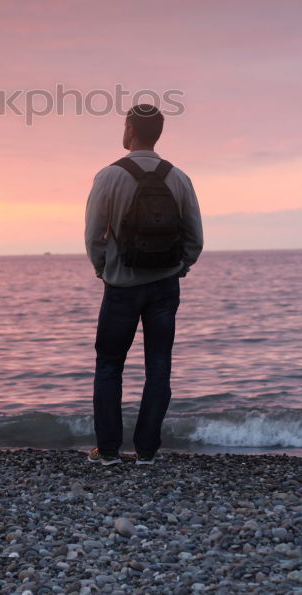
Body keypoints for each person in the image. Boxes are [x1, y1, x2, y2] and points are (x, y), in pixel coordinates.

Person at [84, 103, 203, 465]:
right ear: (158, 133)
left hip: (121, 286)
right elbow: (194, 237)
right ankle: (147, 451)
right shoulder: (178, 177)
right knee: (159, 364)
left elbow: (93, 236)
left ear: (130, 129)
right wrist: (180, 267)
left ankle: (108, 451)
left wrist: (104, 269)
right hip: (165, 286)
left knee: (109, 366)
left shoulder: (109, 176)